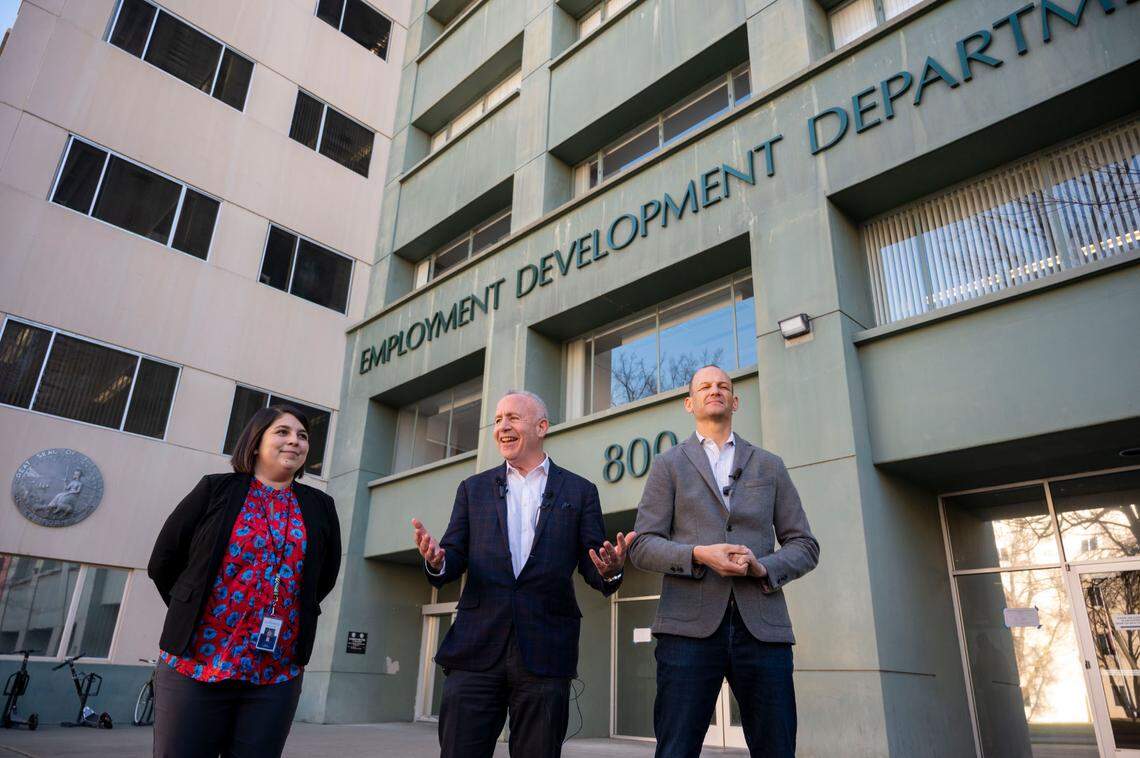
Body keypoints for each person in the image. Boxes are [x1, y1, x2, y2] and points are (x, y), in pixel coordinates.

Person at [412, 389, 634, 758]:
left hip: (546, 652)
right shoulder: (473, 489)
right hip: (475, 649)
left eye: (512, 418)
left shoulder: (580, 492)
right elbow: (452, 556)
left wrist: (610, 569)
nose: (502, 427)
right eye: (498, 420)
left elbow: (595, 568)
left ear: (541, 426)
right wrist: (437, 561)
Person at [630, 365, 820, 758]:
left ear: (735, 400)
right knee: (676, 750)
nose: (714, 390)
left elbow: (804, 545)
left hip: (763, 631)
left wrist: (763, 566)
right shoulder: (668, 465)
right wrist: (698, 554)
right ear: (689, 403)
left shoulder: (770, 465)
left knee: (777, 748)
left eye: (722, 386)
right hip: (686, 630)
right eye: (704, 386)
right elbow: (643, 545)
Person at [147, 404, 341, 758]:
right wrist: (190, 608)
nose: (295, 441)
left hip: (275, 674)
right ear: (255, 442)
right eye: (282, 432)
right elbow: (164, 560)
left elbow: (323, 578)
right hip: (197, 664)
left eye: (302, 436)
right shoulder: (215, 490)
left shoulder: (319, 506)